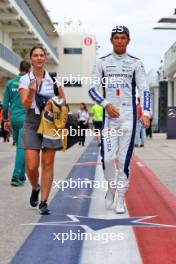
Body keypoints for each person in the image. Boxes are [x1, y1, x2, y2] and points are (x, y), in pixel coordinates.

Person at [88, 26, 150, 214]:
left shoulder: (136, 63)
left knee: (124, 160)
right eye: (117, 37)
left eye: (123, 37)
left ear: (128, 40)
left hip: (129, 116)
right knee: (107, 159)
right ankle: (111, 187)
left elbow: (144, 89)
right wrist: (106, 104)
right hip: (109, 116)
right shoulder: (102, 62)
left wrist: (146, 113)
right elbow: (92, 89)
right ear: (111, 40)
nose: (120, 40)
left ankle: (121, 198)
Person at [19, 46, 66, 215]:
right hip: (32, 121)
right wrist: (31, 92)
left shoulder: (54, 81)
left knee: (48, 163)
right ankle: (35, 187)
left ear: (44, 59)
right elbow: (25, 104)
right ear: (31, 59)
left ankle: (44, 202)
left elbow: (63, 101)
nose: (39, 58)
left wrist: (53, 104)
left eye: (41, 55)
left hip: (50, 122)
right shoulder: (25, 80)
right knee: (31, 166)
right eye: (35, 56)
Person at [3, 61, 31, 186]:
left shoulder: (10, 83)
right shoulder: (30, 83)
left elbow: (5, 104)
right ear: (29, 69)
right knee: (22, 147)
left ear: (19, 68)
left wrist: (5, 119)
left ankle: (21, 176)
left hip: (14, 119)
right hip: (25, 118)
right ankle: (16, 177)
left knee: (21, 146)